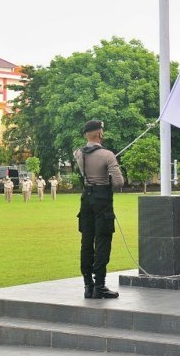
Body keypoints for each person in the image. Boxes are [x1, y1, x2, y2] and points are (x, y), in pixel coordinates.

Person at [74, 120, 124, 299]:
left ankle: (88, 285)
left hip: (86, 199)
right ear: (100, 134)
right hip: (102, 199)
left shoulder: (78, 153)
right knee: (102, 241)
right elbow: (119, 183)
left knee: (86, 242)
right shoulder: (107, 155)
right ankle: (100, 286)